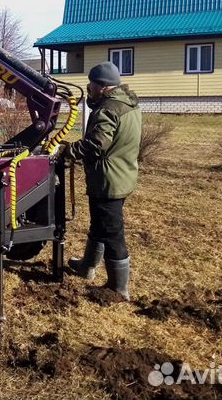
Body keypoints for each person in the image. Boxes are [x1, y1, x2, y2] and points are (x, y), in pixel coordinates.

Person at [64, 61, 142, 300]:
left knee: (112, 233)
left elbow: (96, 144)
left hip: (109, 180)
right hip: (122, 174)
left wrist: (68, 151)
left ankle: (118, 288)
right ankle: (87, 267)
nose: (88, 87)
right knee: (100, 225)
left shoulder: (108, 109)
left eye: (91, 84)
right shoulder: (128, 105)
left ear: (102, 86)